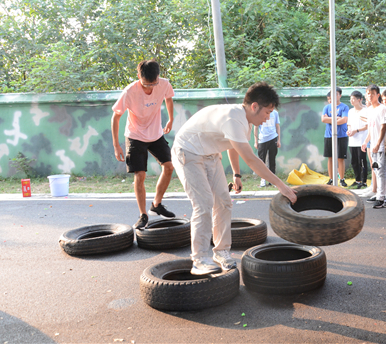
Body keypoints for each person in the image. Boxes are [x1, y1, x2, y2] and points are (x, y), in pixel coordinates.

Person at [171, 82, 297, 275]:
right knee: (203, 204)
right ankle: (199, 260)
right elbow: (252, 160)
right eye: (267, 112)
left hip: (211, 154)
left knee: (223, 202)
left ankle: (221, 252)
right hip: (188, 152)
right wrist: (282, 186)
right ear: (254, 106)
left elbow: (232, 146)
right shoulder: (233, 118)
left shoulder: (245, 120)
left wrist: (236, 175)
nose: (268, 118)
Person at [111, 59, 176, 229]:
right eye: (146, 84)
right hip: (135, 135)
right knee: (140, 176)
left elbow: (169, 98)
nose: (150, 88)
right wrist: (116, 145)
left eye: (153, 84)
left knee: (169, 167)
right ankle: (143, 215)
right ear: (138, 76)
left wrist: (170, 118)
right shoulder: (129, 92)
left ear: (158, 77)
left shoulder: (164, 84)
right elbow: (116, 116)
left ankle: (156, 204)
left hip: (156, 133)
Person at [363, 85, 386, 209]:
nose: (370, 96)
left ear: (378, 95)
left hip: (380, 146)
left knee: (381, 171)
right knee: (376, 170)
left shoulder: (382, 108)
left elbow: (383, 127)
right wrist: (365, 141)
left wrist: (379, 143)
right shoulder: (369, 110)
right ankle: (378, 193)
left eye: (372, 94)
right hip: (372, 145)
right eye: (368, 94)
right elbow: (370, 128)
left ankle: (381, 197)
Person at [321, 87, 349, 187]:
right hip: (329, 136)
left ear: (340, 95)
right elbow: (323, 120)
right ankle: (331, 179)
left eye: (336, 94)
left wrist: (330, 119)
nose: (334, 96)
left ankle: (342, 179)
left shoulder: (344, 107)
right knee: (330, 158)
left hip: (341, 135)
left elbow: (344, 120)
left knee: (340, 158)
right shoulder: (327, 107)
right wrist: (336, 118)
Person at [347, 90, 369, 189]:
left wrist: (356, 130)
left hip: (362, 140)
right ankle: (357, 180)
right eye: (351, 99)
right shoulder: (350, 111)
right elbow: (349, 124)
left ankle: (364, 181)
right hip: (352, 141)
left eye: (353, 99)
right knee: (354, 161)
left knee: (362, 160)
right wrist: (349, 131)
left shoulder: (366, 110)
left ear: (360, 99)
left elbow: (367, 126)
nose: (351, 101)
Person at [254, 108, 280, 188]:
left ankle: (273, 181)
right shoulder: (259, 112)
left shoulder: (275, 113)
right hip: (263, 139)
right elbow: (255, 127)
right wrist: (256, 141)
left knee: (272, 160)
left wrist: (278, 139)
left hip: (273, 138)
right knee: (262, 161)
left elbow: (277, 126)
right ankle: (263, 179)